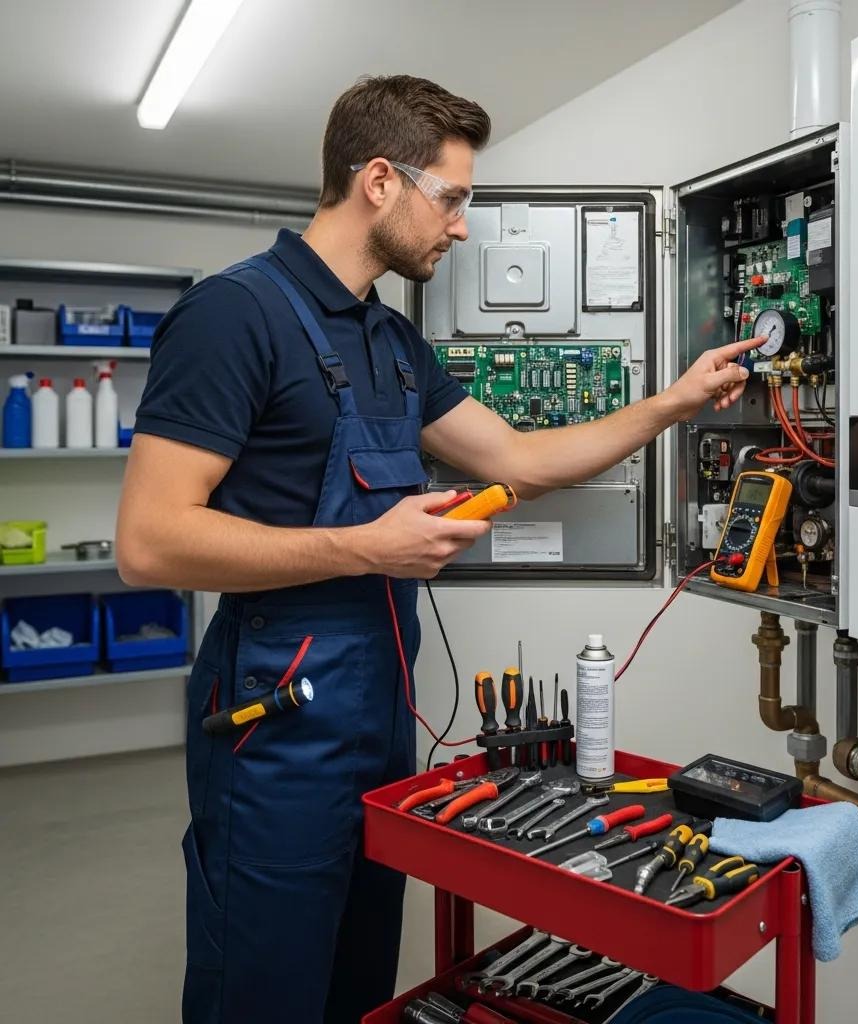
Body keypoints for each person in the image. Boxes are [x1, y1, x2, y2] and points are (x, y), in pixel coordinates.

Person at [116, 74, 760, 1024]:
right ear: (380, 180)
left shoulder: (391, 341)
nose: (461, 228)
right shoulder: (233, 315)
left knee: (358, 982)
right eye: (452, 198)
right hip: (272, 723)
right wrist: (367, 546)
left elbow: (522, 461)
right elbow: (149, 541)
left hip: (383, 713)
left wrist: (674, 402)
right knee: (262, 989)